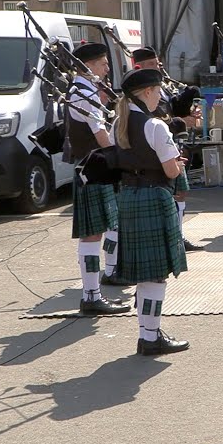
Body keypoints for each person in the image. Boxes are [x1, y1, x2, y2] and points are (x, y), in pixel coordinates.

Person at [112, 68, 190, 356]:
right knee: (156, 273)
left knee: (146, 274)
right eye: (158, 91)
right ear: (146, 92)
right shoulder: (155, 126)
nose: (160, 96)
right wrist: (179, 165)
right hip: (155, 197)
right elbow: (170, 169)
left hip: (129, 196)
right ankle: (150, 336)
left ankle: (148, 333)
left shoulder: (118, 123)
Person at [66, 42, 130, 313]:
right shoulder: (83, 92)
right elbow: (101, 135)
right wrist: (120, 158)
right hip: (92, 168)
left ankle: (103, 282)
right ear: (89, 65)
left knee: (102, 227)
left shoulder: (85, 90)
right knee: (92, 234)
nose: (106, 69)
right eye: (103, 63)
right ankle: (91, 296)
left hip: (94, 166)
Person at [130, 47, 203, 252]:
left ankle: (178, 236)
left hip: (172, 145)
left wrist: (188, 113)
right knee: (168, 194)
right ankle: (172, 237)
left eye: (157, 63)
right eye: (152, 65)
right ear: (139, 67)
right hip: (156, 151)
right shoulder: (142, 91)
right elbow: (152, 122)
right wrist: (181, 121)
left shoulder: (161, 88)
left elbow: (171, 110)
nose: (157, 67)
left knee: (180, 192)